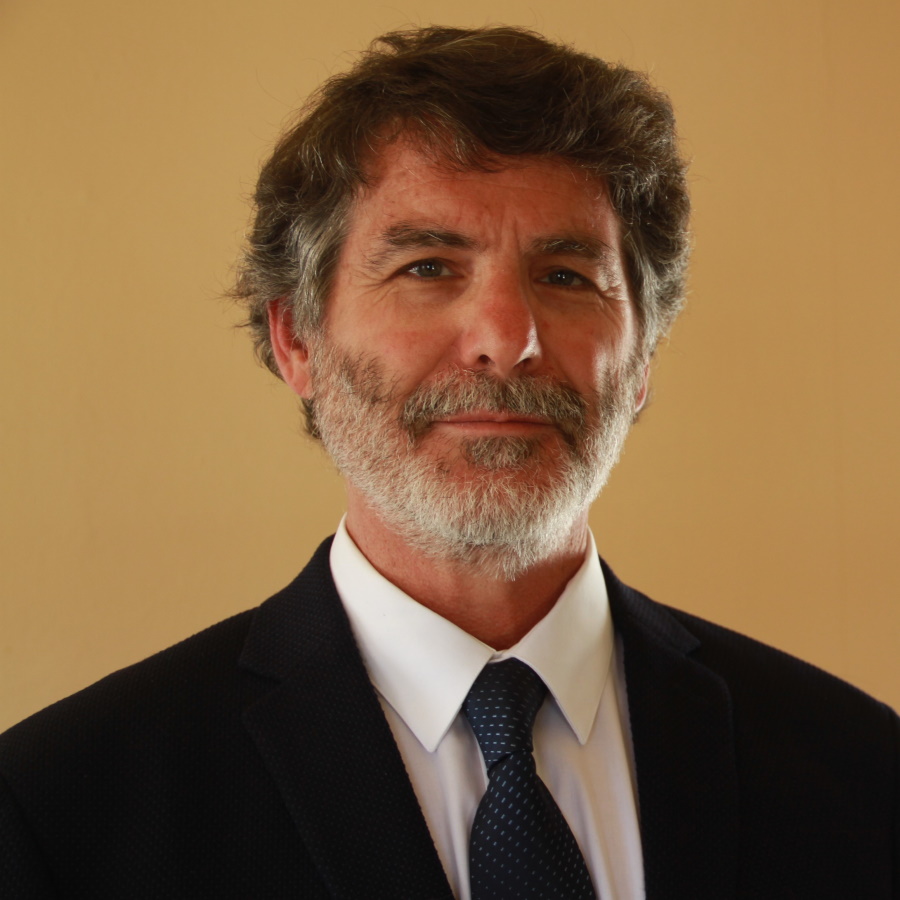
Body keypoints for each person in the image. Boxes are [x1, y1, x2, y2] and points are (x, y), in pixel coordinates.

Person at [0, 25, 897, 900]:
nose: (507, 340)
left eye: (566, 275)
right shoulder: (61, 808)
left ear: (643, 359)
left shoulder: (862, 770)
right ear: (296, 339)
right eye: (428, 268)